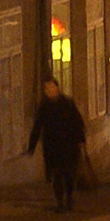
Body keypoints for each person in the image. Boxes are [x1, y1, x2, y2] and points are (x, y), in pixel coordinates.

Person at [26, 76, 88, 212]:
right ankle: (60, 201)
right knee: (56, 175)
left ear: (57, 88)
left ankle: (69, 198)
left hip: (69, 145)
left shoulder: (67, 103)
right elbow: (37, 126)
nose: (49, 91)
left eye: (51, 87)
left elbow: (78, 123)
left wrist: (81, 140)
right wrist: (32, 145)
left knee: (69, 175)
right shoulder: (44, 106)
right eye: (47, 89)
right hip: (52, 146)